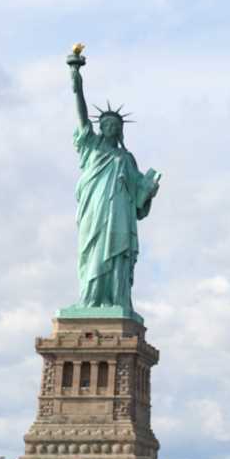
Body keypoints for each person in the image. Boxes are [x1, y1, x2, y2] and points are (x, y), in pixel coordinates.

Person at [66, 58, 160, 314]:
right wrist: (77, 82)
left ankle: (116, 301)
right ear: (100, 127)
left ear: (119, 131)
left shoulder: (126, 159)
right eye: (105, 124)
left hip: (119, 213)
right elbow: (82, 116)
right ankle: (90, 299)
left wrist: (148, 190)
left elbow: (139, 200)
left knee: (118, 253)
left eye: (114, 126)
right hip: (94, 210)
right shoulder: (91, 146)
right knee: (93, 251)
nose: (109, 127)